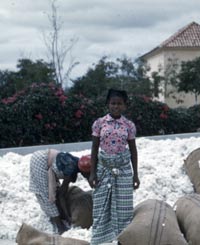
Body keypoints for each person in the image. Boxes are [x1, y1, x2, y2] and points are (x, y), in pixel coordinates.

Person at [89, 88, 140, 245]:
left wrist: (135, 175)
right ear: (107, 104)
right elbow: (94, 148)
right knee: (100, 207)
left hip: (123, 170)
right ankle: (99, 240)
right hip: (103, 169)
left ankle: (122, 240)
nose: (116, 106)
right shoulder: (99, 124)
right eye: (113, 103)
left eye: (119, 104)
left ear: (125, 106)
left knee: (124, 208)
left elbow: (132, 150)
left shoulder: (129, 125)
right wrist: (92, 173)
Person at [29, 148, 90, 235]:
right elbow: (61, 195)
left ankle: (58, 217)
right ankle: (59, 225)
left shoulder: (79, 162)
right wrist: (67, 216)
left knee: (55, 192)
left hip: (47, 156)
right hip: (40, 161)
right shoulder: (71, 169)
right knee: (47, 195)